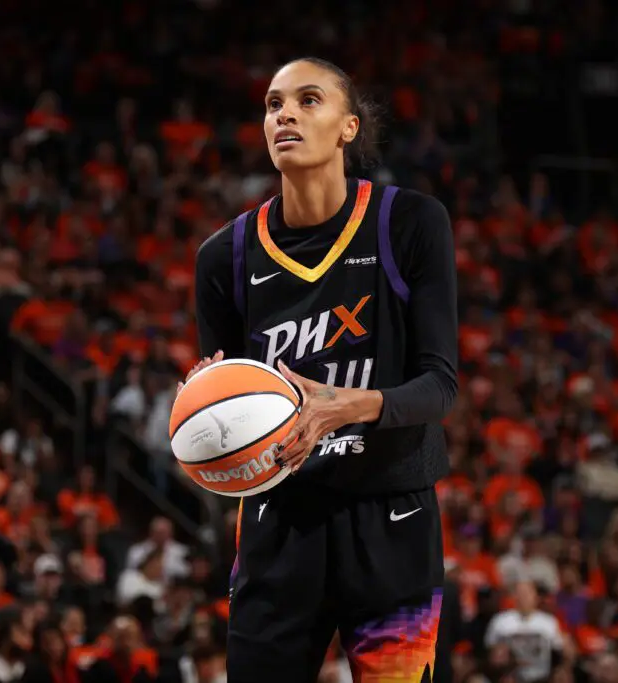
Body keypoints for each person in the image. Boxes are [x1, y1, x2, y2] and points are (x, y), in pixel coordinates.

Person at [190, 57, 458, 682]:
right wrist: (204, 420)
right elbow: (228, 421)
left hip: (392, 515)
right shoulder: (223, 258)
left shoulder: (411, 223)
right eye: (272, 103)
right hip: (279, 523)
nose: (284, 113)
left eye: (308, 100)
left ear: (348, 127)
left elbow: (439, 386)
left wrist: (346, 405)